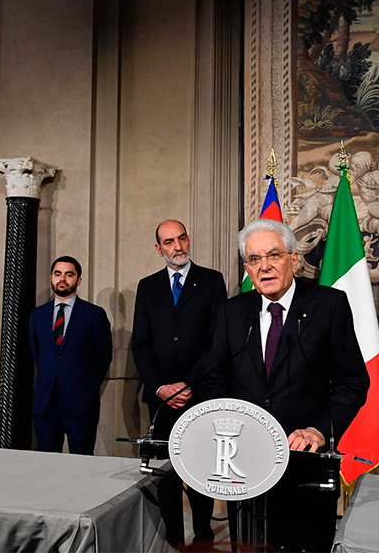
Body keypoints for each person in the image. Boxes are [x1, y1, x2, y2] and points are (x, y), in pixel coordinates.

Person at [202, 218, 369, 552]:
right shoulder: (232, 312)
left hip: (305, 463)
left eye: (273, 255)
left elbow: (352, 382)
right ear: (247, 268)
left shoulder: (328, 305)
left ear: (293, 259)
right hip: (244, 461)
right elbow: (213, 380)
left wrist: (320, 430)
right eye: (254, 259)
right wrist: (228, 426)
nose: (264, 266)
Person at [131, 219, 227, 546]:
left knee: (200, 469)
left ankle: (203, 539)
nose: (178, 246)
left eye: (182, 238)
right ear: (159, 249)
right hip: (161, 400)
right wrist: (160, 387)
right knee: (165, 475)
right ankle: (172, 539)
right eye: (169, 242)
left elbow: (216, 341)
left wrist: (188, 384)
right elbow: (140, 345)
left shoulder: (212, 281)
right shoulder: (147, 286)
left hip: (199, 395)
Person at [29, 256, 112, 455]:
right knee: (46, 465)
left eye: (69, 274)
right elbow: (37, 353)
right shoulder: (38, 315)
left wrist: (84, 384)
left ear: (78, 280)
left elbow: (103, 357)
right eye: (58, 274)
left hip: (81, 404)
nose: (62, 279)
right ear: (51, 278)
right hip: (45, 404)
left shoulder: (94, 314)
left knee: (81, 464)